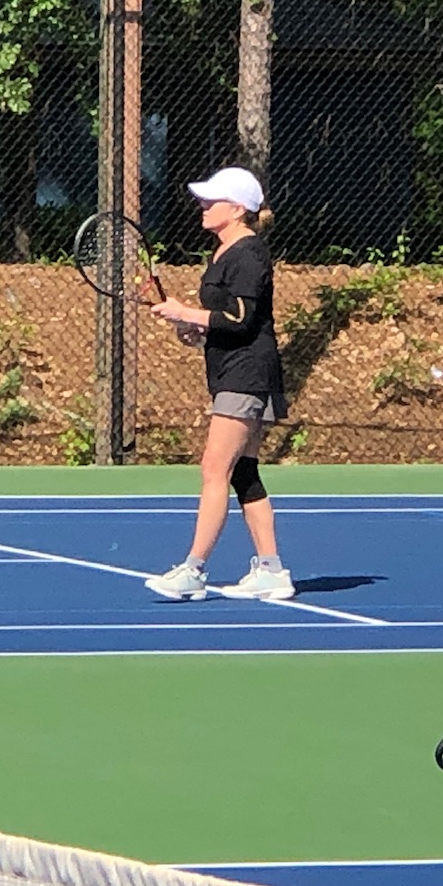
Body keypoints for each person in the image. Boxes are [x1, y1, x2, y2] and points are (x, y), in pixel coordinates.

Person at [143, 166, 295, 603]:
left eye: (212, 201)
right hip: (232, 369)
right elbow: (225, 322)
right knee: (243, 471)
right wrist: (193, 328)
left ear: (238, 209)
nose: (203, 206)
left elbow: (241, 318)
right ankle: (272, 570)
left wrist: (186, 313)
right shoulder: (223, 253)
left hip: (248, 373)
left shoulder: (248, 254)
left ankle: (193, 570)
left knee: (215, 469)